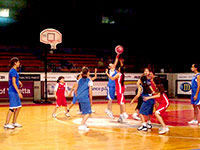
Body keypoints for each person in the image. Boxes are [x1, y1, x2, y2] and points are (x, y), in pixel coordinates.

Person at [4, 57, 23, 129]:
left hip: (14, 91)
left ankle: (14, 122)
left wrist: (19, 81)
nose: (19, 63)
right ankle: (6, 123)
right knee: (12, 108)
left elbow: (15, 80)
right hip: (13, 91)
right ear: (15, 63)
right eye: (18, 62)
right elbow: (13, 83)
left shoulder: (14, 71)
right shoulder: (13, 71)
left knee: (19, 107)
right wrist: (19, 92)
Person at [75, 67, 93, 131]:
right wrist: (91, 101)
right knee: (88, 112)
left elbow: (75, 90)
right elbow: (90, 92)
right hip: (85, 97)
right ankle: (81, 125)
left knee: (83, 112)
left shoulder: (79, 80)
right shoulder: (89, 81)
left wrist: (77, 96)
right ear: (88, 73)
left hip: (79, 97)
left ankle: (84, 123)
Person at [105, 54, 120, 119]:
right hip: (110, 86)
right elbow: (115, 62)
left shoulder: (115, 71)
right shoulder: (111, 71)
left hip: (113, 86)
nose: (113, 65)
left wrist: (117, 55)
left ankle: (108, 110)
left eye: (113, 64)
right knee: (110, 99)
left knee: (111, 99)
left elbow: (116, 61)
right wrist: (107, 73)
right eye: (111, 65)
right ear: (109, 67)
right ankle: (110, 112)